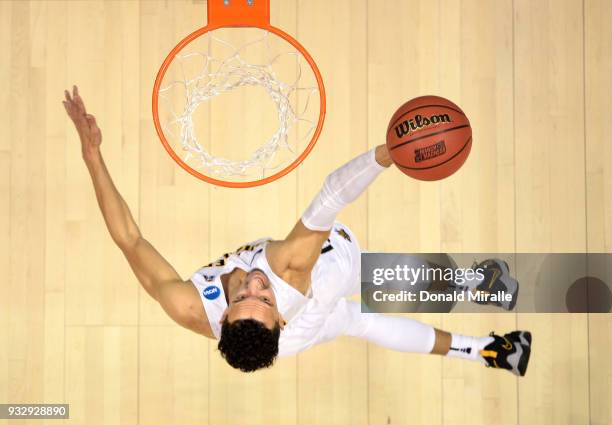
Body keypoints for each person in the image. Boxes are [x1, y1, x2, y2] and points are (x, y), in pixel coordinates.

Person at [63, 86, 531, 375]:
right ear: (278, 315)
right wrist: (386, 154)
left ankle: (492, 352)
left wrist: (92, 156)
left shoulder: (189, 307)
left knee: (356, 322)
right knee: (371, 278)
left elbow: (129, 238)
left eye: (245, 294)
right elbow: (330, 196)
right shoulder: (284, 272)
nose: (256, 284)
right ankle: (477, 285)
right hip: (318, 285)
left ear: (223, 320)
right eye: (264, 299)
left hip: (287, 344)